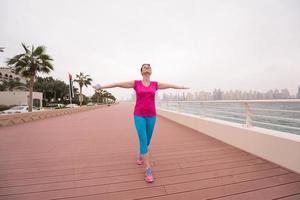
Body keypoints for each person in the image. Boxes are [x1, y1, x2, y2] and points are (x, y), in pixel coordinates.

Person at [93, 64, 189, 183]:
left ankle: (140, 155)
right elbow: (118, 84)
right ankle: (148, 169)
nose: (147, 68)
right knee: (143, 140)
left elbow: (170, 86)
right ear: (141, 71)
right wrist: (101, 86)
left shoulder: (155, 85)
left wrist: (182, 87)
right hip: (139, 115)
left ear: (151, 71)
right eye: (144, 67)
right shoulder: (136, 83)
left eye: (149, 67)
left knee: (147, 141)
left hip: (152, 116)